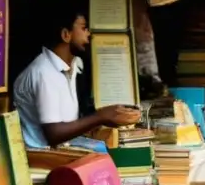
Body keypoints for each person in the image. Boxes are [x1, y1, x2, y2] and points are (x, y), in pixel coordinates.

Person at [13, 8, 141, 148]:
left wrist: (109, 118)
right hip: (41, 158)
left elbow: (70, 124)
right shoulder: (43, 72)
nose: (89, 34)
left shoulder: (73, 66)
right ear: (66, 34)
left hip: (63, 150)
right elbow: (54, 134)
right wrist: (100, 117)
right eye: (84, 28)